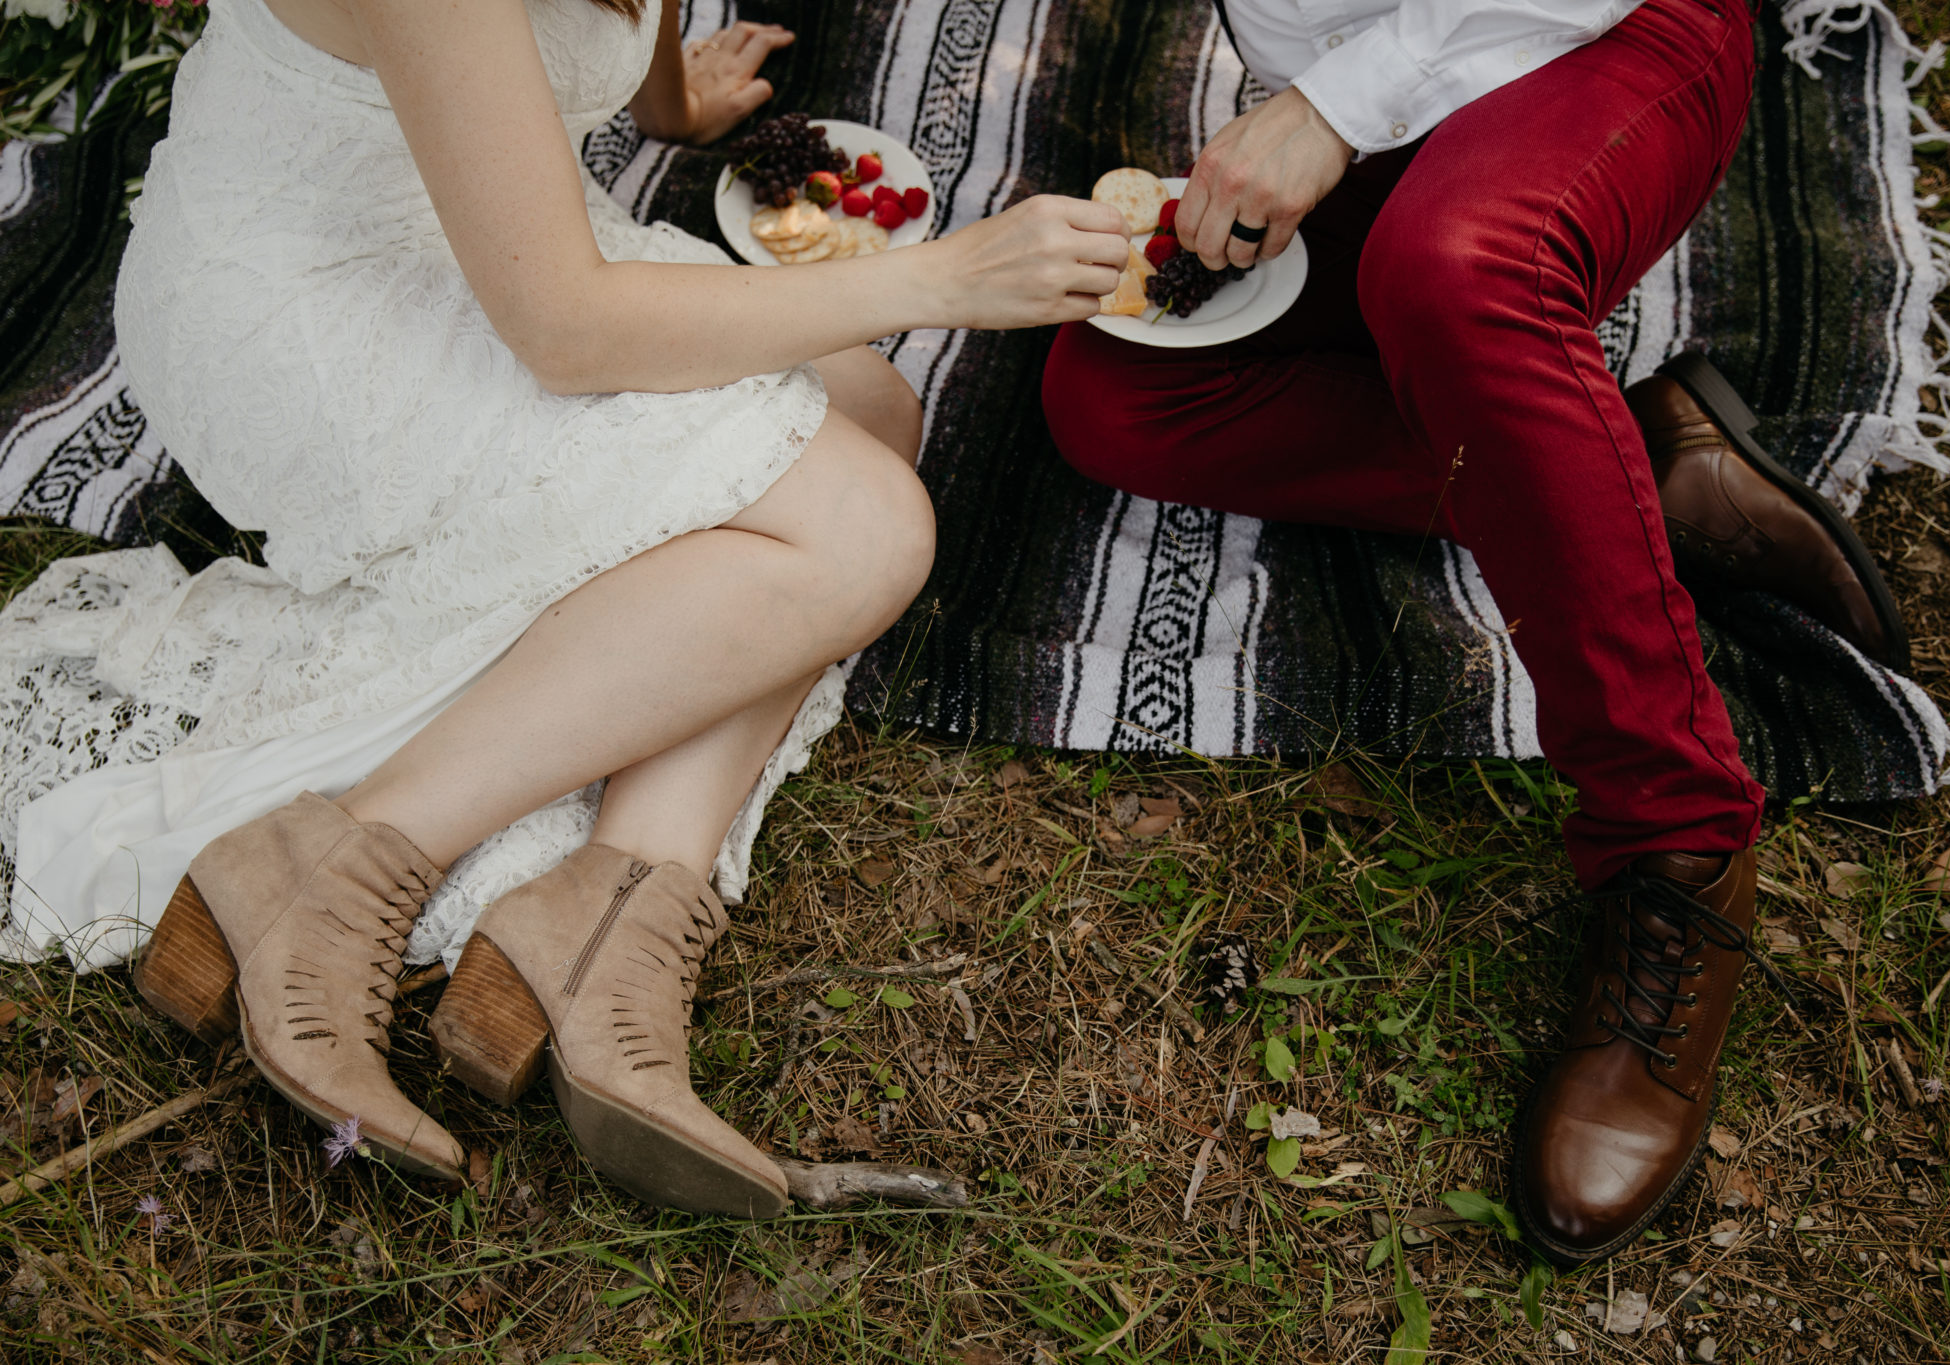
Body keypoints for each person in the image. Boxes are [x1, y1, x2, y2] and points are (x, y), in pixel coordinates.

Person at [2, 0, 1129, 1219]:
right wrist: (945, 276)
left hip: (478, 235)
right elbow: (572, 333)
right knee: (864, 527)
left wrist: (666, 103)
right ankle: (334, 861)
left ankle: (615, 909)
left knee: (872, 414)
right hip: (308, 302)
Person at [1042, 0, 1904, 1264]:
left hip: (1597, 36)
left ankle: (1675, 837)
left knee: (1453, 271)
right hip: (1364, 102)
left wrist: (1331, 110)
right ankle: (1636, 471)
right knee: (1118, 397)